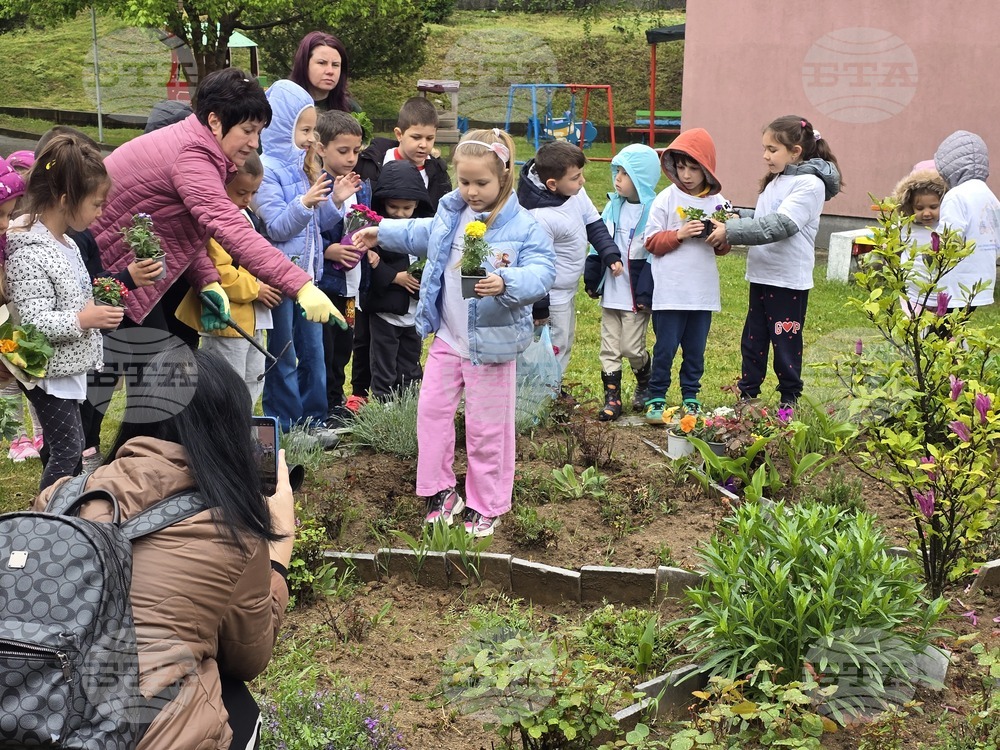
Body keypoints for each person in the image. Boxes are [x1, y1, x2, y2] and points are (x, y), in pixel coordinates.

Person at [33, 346, 296, 750]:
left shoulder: (59, 497)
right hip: (141, 734)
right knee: (238, 702)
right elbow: (249, 657)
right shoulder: (232, 529)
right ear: (230, 430)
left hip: (36, 713)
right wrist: (278, 551)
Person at [353, 128, 554, 537]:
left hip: (490, 345)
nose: (472, 191)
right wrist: (383, 232)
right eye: (464, 182)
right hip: (448, 336)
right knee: (432, 414)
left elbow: (544, 271)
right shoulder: (453, 209)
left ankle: (488, 504)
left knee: (486, 429)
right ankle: (440, 491)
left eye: (482, 183)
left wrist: (507, 281)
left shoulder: (524, 226)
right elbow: (425, 233)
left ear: (504, 177)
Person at [89, 68, 343, 334]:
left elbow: (185, 228)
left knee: (156, 364)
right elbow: (229, 226)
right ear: (215, 121)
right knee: (129, 367)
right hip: (109, 272)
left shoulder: (195, 144)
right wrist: (301, 286)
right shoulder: (192, 157)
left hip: (128, 272)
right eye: (247, 131)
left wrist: (206, 280)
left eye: (258, 132)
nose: (254, 143)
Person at [3, 134, 124, 490]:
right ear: (66, 199)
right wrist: (84, 320)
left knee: (70, 448)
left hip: (65, 367)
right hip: (46, 372)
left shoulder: (67, 243)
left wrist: (92, 310)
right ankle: (47, 521)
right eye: (97, 204)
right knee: (67, 451)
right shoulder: (29, 250)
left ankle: (59, 514)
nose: (101, 212)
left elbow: (72, 300)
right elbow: (34, 320)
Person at [707, 115, 841, 407]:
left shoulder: (809, 184)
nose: (765, 155)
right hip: (762, 276)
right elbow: (763, 219)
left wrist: (730, 231)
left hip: (787, 281)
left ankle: (789, 402)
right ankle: (747, 396)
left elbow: (780, 226)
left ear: (795, 151)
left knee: (785, 344)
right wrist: (737, 217)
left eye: (772, 149)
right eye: (764, 148)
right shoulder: (779, 180)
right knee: (753, 341)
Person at [256, 79, 338, 444]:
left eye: (311, 130)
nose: (309, 138)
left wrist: (331, 203)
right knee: (284, 356)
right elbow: (275, 226)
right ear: (280, 127)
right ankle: (285, 425)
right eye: (303, 129)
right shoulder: (266, 169)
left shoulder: (302, 167)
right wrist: (305, 201)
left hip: (307, 278)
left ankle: (314, 420)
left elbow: (315, 226)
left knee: (313, 353)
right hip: (281, 282)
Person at [175, 152, 281, 406]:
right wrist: (255, 289)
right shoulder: (212, 222)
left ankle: (245, 433)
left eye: (253, 193)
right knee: (225, 387)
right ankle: (224, 436)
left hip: (252, 319)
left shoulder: (245, 216)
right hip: (225, 321)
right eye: (241, 192)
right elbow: (217, 272)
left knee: (253, 379)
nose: (247, 199)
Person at [642, 128, 732, 421]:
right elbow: (651, 241)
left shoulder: (719, 203)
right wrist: (679, 234)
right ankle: (656, 396)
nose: (687, 175)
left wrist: (719, 237)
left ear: (707, 169)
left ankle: (691, 395)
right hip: (670, 292)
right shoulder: (665, 199)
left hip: (702, 293)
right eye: (681, 167)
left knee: (695, 350)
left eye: (694, 168)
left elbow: (724, 248)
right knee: (665, 348)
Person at [515, 140, 620, 378]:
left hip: (566, 290)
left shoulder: (574, 192)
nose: (582, 182)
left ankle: (553, 390)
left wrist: (609, 253)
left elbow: (593, 221)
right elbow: (533, 264)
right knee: (548, 348)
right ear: (552, 184)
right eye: (576, 177)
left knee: (564, 343)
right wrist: (540, 307)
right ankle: (539, 396)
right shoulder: (539, 216)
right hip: (550, 297)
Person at [582, 144, 661, 422]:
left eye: (625, 173)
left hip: (635, 294)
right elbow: (598, 242)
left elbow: (653, 256)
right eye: (617, 171)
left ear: (641, 178)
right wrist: (593, 273)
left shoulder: (653, 210)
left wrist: (647, 291)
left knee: (631, 348)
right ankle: (612, 398)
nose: (617, 178)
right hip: (612, 292)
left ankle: (644, 379)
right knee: (609, 347)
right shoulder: (612, 206)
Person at [313, 110, 367, 423]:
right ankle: (323, 404)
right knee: (325, 347)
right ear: (321, 148)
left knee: (344, 345)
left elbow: (363, 224)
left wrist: (369, 247)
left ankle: (336, 402)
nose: (350, 159)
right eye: (342, 151)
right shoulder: (317, 185)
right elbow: (303, 233)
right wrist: (327, 250)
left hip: (350, 289)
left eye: (356, 152)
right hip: (326, 287)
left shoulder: (361, 187)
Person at [365, 159, 434, 400]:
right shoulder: (375, 228)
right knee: (383, 363)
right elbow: (369, 263)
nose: (400, 213)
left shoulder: (424, 228)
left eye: (407, 207)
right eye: (394, 207)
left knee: (411, 361)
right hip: (385, 310)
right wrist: (394, 277)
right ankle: (383, 403)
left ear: (417, 204)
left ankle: (412, 402)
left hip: (414, 312)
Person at [0, 156, 41, 462]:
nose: (6, 224)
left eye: (10, 214)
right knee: (7, 379)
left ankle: (41, 433)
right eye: (0, 215)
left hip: (13, 317)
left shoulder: (7, 240)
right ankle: (16, 438)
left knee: (29, 372)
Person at [932, 130, 1000, 311]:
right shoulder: (991, 196)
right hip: (982, 280)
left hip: (956, 279)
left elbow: (949, 236)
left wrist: (930, 255)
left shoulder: (956, 195)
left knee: (942, 329)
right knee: (959, 325)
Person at [356, 97, 452, 209]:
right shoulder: (370, 164)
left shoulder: (439, 174)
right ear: (399, 134)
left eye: (430, 138)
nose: (424, 145)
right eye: (416, 137)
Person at [891, 166, 948, 314]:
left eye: (933, 207)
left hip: (941, 292)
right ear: (910, 207)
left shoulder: (945, 226)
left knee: (945, 332)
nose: (927, 213)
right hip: (912, 292)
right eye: (920, 208)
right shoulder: (905, 226)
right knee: (914, 329)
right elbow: (896, 249)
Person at [289, 31, 354, 113]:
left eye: (335, 65)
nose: (330, 71)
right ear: (304, 64)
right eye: (321, 63)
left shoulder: (350, 109)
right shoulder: (285, 104)